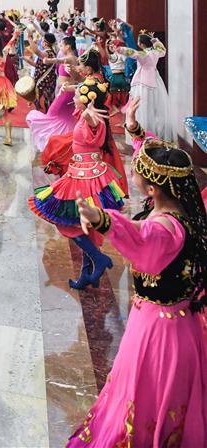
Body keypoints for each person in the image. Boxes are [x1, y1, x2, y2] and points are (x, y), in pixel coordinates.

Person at [68, 98, 206, 447]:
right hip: (181, 324)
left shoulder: (165, 230)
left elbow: (142, 238)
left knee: (146, 404)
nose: (133, 174)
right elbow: (159, 160)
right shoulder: (191, 204)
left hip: (160, 335)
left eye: (138, 173)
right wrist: (133, 127)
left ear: (152, 188)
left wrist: (102, 220)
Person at [29, 78, 126, 289]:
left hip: (86, 178)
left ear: (86, 101)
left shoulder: (91, 119)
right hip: (82, 172)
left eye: (76, 97)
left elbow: (92, 126)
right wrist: (76, 91)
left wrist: (88, 116)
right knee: (82, 225)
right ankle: (87, 274)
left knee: (70, 222)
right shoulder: (86, 115)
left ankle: (98, 259)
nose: (72, 99)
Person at [25, 36, 82, 152]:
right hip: (66, 91)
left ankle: (52, 142)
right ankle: (62, 143)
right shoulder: (72, 58)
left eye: (62, 45)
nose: (61, 47)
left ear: (68, 46)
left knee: (51, 115)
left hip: (65, 93)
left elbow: (58, 60)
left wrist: (49, 60)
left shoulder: (70, 58)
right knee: (64, 119)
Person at [114, 32, 171, 141]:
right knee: (153, 108)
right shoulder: (156, 52)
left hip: (142, 83)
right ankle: (153, 133)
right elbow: (163, 49)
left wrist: (120, 49)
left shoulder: (144, 54)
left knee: (141, 109)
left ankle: (142, 135)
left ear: (141, 44)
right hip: (155, 81)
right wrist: (154, 40)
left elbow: (133, 53)